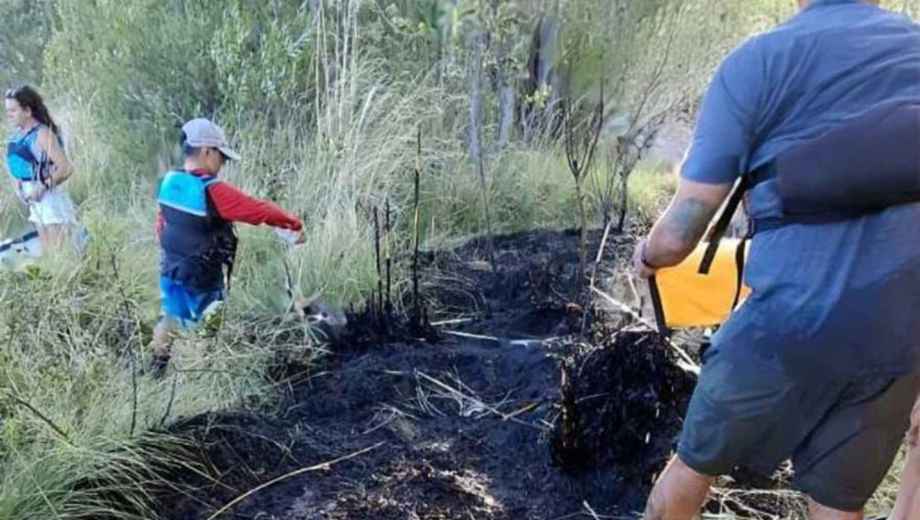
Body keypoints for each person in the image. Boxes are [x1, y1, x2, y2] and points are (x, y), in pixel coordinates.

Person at [633, 1, 920, 519]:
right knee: (838, 505)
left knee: (691, 470)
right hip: (903, 331)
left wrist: (648, 256)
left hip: (790, 320)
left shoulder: (760, 61)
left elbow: (680, 233)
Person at [150, 117, 304, 377]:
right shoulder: (212, 191)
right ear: (206, 151)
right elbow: (257, 210)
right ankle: (202, 379)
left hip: (171, 269)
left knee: (170, 318)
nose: (222, 163)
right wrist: (294, 224)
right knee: (208, 332)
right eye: (221, 156)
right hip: (203, 276)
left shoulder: (169, 182)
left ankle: (155, 371)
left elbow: (160, 224)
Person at [4, 85, 78, 250]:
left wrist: (42, 187)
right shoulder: (16, 137)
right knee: (48, 256)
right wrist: (19, 188)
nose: (9, 115)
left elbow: (65, 168)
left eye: (13, 111)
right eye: (7, 111)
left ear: (27, 111)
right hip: (34, 202)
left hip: (51, 200)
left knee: (59, 254)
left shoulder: (43, 134)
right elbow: (16, 167)